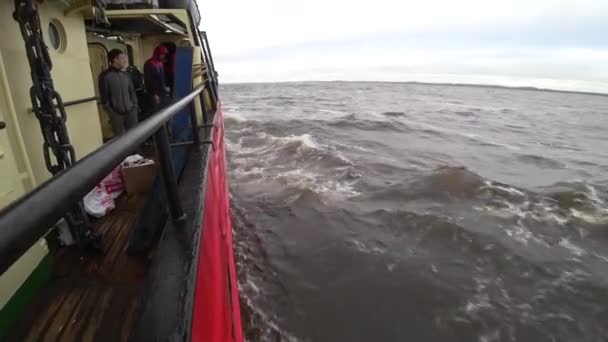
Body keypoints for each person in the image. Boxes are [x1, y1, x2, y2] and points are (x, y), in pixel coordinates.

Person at [98, 49, 139, 136]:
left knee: (134, 136)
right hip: (116, 114)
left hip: (131, 111)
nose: (125, 60)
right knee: (120, 140)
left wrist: (134, 106)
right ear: (115, 60)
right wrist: (111, 113)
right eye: (122, 58)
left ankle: (136, 150)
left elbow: (132, 92)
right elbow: (104, 97)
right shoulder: (105, 76)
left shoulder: (126, 75)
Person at [144, 45, 170, 112]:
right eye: (162, 54)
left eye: (164, 54)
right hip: (154, 93)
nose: (163, 56)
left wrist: (165, 87)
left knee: (163, 111)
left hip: (162, 92)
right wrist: (154, 94)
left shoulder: (160, 63)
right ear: (157, 53)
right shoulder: (149, 64)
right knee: (156, 112)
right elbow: (148, 81)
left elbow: (162, 78)